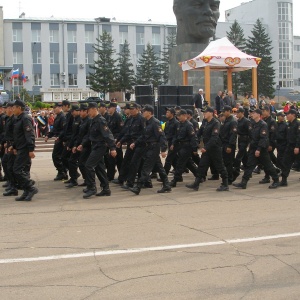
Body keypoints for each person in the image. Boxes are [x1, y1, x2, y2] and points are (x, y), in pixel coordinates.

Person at [128, 105, 171, 195]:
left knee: (146, 168)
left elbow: (161, 136)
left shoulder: (155, 122)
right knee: (159, 167)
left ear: (150, 112)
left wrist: (163, 149)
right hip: (148, 147)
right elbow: (143, 135)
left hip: (154, 147)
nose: (142, 112)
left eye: (144, 111)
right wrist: (135, 143)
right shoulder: (146, 122)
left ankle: (138, 187)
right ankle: (166, 185)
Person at [233, 109, 279, 190]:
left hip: (261, 149)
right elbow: (250, 136)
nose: (252, 114)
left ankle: (276, 180)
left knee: (268, 165)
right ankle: (244, 182)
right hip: (253, 148)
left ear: (258, 115)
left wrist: (259, 149)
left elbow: (263, 138)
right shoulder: (252, 123)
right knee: (249, 165)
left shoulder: (263, 124)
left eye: (253, 113)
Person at [78, 102, 117, 198]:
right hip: (95, 146)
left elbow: (108, 135)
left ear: (94, 109)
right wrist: (82, 144)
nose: (88, 112)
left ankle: (92, 188)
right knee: (99, 168)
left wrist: (112, 148)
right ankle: (106, 189)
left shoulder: (101, 121)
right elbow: (89, 135)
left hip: (100, 147)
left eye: (89, 110)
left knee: (88, 165)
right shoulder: (93, 120)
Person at [186, 106, 229, 192]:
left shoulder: (216, 123)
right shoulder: (205, 122)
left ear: (211, 113)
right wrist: (195, 141)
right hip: (207, 149)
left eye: (205, 112)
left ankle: (225, 184)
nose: (204, 114)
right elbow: (199, 133)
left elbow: (214, 137)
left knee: (220, 166)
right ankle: (196, 183)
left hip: (215, 148)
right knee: (202, 165)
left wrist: (206, 147)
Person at [12, 100, 38, 201]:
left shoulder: (25, 118)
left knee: (17, 170)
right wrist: (14, 147)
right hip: (20, 147)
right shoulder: (18, 119)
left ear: (19, 108)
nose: (13, 109)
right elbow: (17, 135)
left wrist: (31, 149)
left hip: (25, 148)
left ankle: (30, 188)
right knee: (22, 171)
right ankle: (26, 191)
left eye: (14, 107)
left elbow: (29, 134)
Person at [45, 103, 67, 180]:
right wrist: (48, 135)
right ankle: (62, 172)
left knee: (56, 156)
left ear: (60, 107)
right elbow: (54, 129)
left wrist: (59, 137)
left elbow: (64, 130)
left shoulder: (62, 117)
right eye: (53, 108)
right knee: (57, 157)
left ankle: (62, 172)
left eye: (55, 107)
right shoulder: (57, 117)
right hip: (58, 139)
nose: (54, 109)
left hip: (61, 140)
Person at [279, 109, 300, 186]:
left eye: (288, 114)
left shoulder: (297, 124)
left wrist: (297, 147)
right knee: (285, 163)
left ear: (293, 115)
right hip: (289, 147)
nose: (286, 116)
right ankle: (284, 180)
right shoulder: (288, 124)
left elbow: (299, 136)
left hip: (296, 147)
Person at [219, 106, 237, 184]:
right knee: (225, 162)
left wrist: (230, 146)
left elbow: (233, 134)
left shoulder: (233, 121)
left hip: (229, 144)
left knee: (228, 162)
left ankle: (230, 178)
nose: (223, 113)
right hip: (224, 143)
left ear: (229, 111)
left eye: (225, 111)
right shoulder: (226, 120)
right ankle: (234, 173)